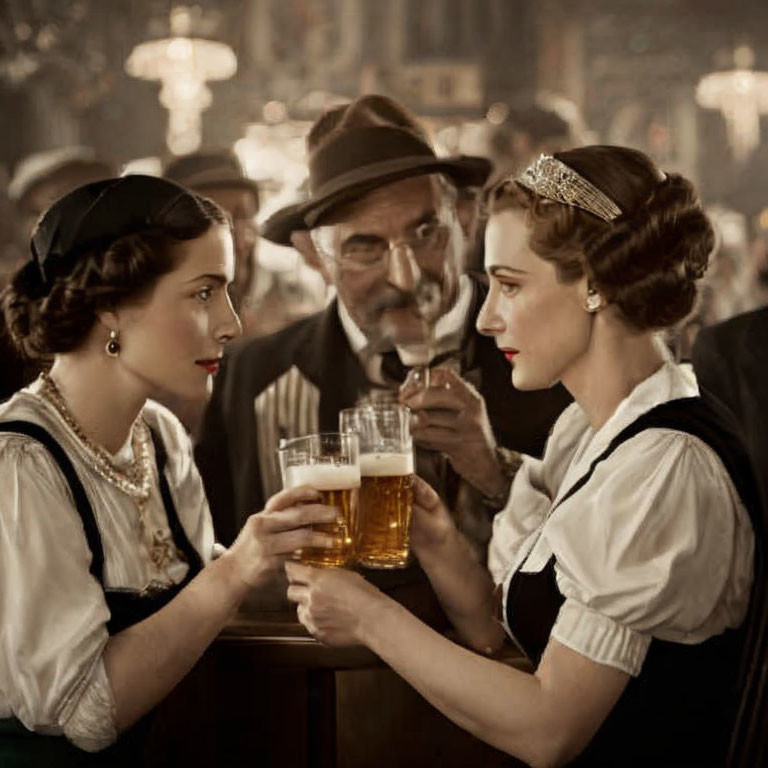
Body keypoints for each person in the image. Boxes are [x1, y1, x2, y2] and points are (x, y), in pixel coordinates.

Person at [285, 147, 760, 767]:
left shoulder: (663, 467)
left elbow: (547, 729)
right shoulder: (586, 435)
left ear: (593, 283)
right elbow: (500, 635)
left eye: (508, 286)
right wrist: (438, 540)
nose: (484, 318)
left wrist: (371, 617)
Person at [0, 175, 340, 765]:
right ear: (110, 304)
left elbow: (186, 600)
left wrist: (272, 554)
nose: (231, 323)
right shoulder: (20, 465)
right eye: (204, 293)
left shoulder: (159, 436)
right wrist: (235, 570)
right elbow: (85, 715)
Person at [196, 95, 571, 567]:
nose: (406, 277)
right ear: (314, 255)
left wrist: (494, 471)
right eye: (365, 247)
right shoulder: (253, 378)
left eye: (425, 233)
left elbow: (613, 548)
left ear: (465, 216)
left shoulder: (556, 349)